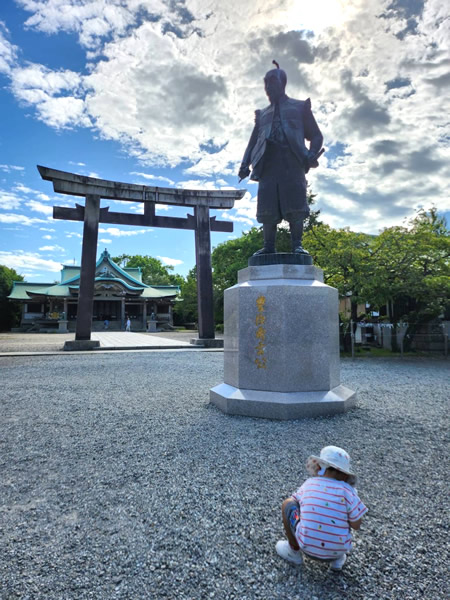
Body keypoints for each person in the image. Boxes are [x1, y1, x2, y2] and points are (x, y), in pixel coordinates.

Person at [238, 61, 324, 255]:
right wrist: (245, 164)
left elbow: (316, 135)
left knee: (295, 204)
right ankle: (268, 246)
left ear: (282, 83)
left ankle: (297, 245)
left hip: (292, 162)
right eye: (266, 83)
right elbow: (252, 143)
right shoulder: (262, 114)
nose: (269, 87)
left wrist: (311, 153)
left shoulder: (300, 107)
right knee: (267, 207)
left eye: (272, 82)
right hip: (267, 164)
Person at [276, 445, 368, 571]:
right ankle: (337, 561)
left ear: (319, 467)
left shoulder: (309, 484)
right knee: (344, 515)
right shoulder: (348, 492)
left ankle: (294, 551)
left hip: (306, 547)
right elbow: (356, 525)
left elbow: (295, 502)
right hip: (338, 551)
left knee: (288, 504)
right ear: (345, 476)